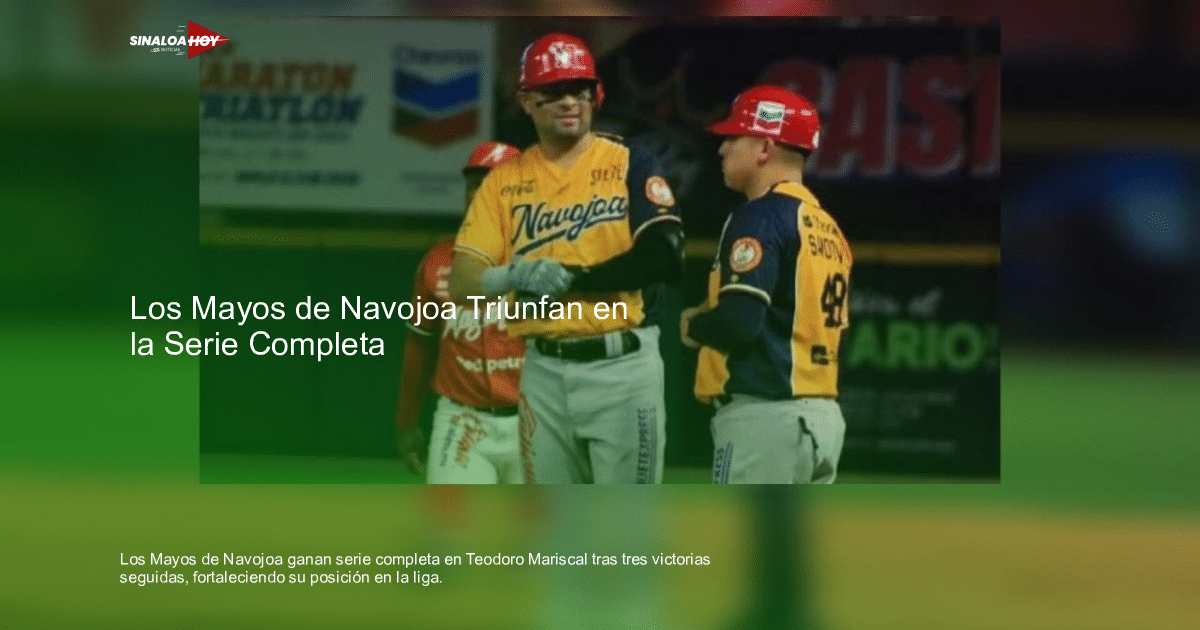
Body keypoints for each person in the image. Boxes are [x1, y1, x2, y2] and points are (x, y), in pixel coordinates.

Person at [447, 32, 686, 484]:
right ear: (526, 101)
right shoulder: (502, 182)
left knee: (627, 535)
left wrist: (575, 278)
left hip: (623, 365)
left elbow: (665, 257)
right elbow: (462, 281)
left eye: (579, 89)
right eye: (553, 91)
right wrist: (514, 274)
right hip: (542, 368)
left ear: (596, 94)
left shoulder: (630, 160)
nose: (569, 101)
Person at [682, 85, 852, 484]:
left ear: (764, 147)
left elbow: (739, 324)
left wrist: (693, 324)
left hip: (765, 418)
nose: (722, 149)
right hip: (822, 418)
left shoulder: (760, 216)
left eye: (733, 137)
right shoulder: (827, 226)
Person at [395, 140, 525, 484]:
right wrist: (406, 421)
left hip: (536, 422)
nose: (481, 192)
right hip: (462, 419)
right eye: (474, 184)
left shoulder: (546, 259)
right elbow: (418, 348)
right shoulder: (439, 262)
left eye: (494, 183)